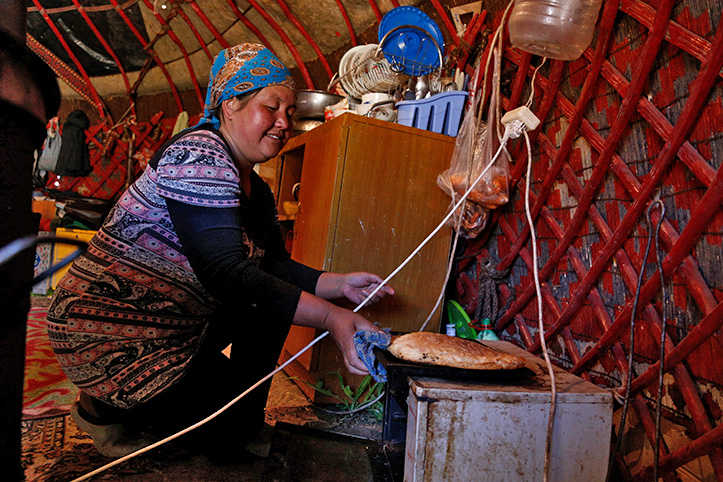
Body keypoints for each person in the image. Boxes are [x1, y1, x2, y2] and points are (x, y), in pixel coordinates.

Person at [46, 43, 394, 461]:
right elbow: (225, 272)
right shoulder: (198, 154)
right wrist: (330, 315)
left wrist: (337, 285)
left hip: (174, 330)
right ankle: (100, 410)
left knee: (230, 426)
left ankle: (242, 425)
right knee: (201, 439)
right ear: (230, 105)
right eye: (271, 107)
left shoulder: (257, 189)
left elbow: (274, 267)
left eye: (291, 111)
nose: (284, 122)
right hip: (107, 333)